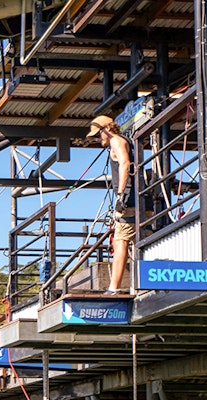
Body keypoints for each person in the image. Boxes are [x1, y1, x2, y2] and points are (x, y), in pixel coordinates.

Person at [87, 115, 135, 294]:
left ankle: (114, 287)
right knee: (137, 241)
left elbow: (124, 163)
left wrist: (121, 195)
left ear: (107, 128)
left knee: (120, 241)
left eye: (99, 134)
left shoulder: (117, 141)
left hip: (128, 199)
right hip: (136, 198)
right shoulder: (125, 141)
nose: (98, 139)